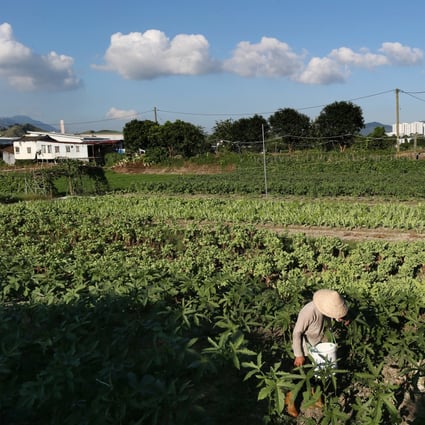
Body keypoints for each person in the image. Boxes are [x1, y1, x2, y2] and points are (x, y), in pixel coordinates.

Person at [286, 289, 349, 417]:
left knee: (317, 375)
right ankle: (290, 400)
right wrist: (299, 354)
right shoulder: (309, 312)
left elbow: (333, 317)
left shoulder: (325, 310)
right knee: (300, 377)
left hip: (318, 345)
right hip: (305, 347)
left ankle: (315, 398)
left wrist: (342, 318)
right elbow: (297, 332)